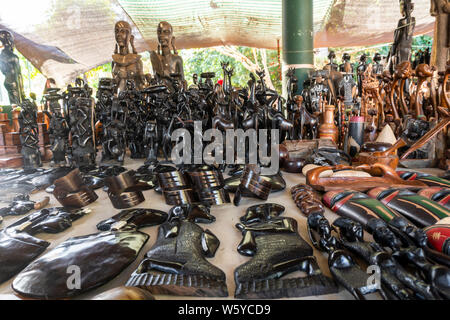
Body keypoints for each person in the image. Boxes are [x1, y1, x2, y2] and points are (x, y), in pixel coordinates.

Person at [112, 21, 145, 93]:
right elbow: (114, 86)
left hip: (133, 98)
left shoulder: (137, 61)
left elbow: (141, 84)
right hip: (118, 98)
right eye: (116, 31)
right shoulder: (114, 61)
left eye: (123, 31)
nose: (118, 34)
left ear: (130, 37)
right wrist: (117, 77)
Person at [150, 21, 185, 90]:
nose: (161, 35)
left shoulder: (177, 59)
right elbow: (156, 78)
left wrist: (168, 75)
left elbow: (182, 81)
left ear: (172, 37)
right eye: (159, 32)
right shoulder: (156, 58)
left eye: (166, 32)